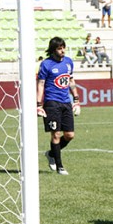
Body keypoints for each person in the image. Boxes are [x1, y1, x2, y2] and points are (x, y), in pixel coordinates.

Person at [36, 37, 81, 176]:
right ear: (53, 50)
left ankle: (51, 154)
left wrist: (76, 98)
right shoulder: (46, 64)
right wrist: (38, 104)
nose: (62, 51)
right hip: (51, 103)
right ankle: (60, 166)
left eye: (63, 47)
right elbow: (41, 84)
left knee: (69, 135)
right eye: (59, 48)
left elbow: (71, 80)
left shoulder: (68, 62)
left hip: (66, 102)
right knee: (55, 134)